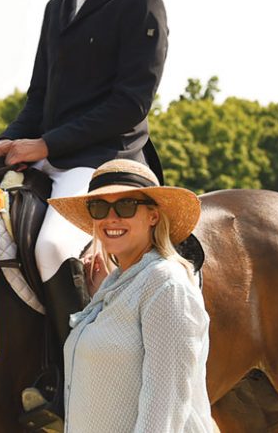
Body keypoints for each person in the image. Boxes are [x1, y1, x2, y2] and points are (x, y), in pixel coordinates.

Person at [0, 0, 169, 367]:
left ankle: (81, 375)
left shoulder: (140, 3)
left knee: (51, 246)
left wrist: (43, 145)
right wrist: (7, 141)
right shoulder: (55, 9)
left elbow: (129, 105)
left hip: (105, 160)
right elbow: (39, 96)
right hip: (52, 154)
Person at [47, 159, 213, 432]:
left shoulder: (167, 284)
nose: (111, 218)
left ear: (153, 216)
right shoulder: (119, 282)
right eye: (99, 207)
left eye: (126, 205)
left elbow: (165, 407)